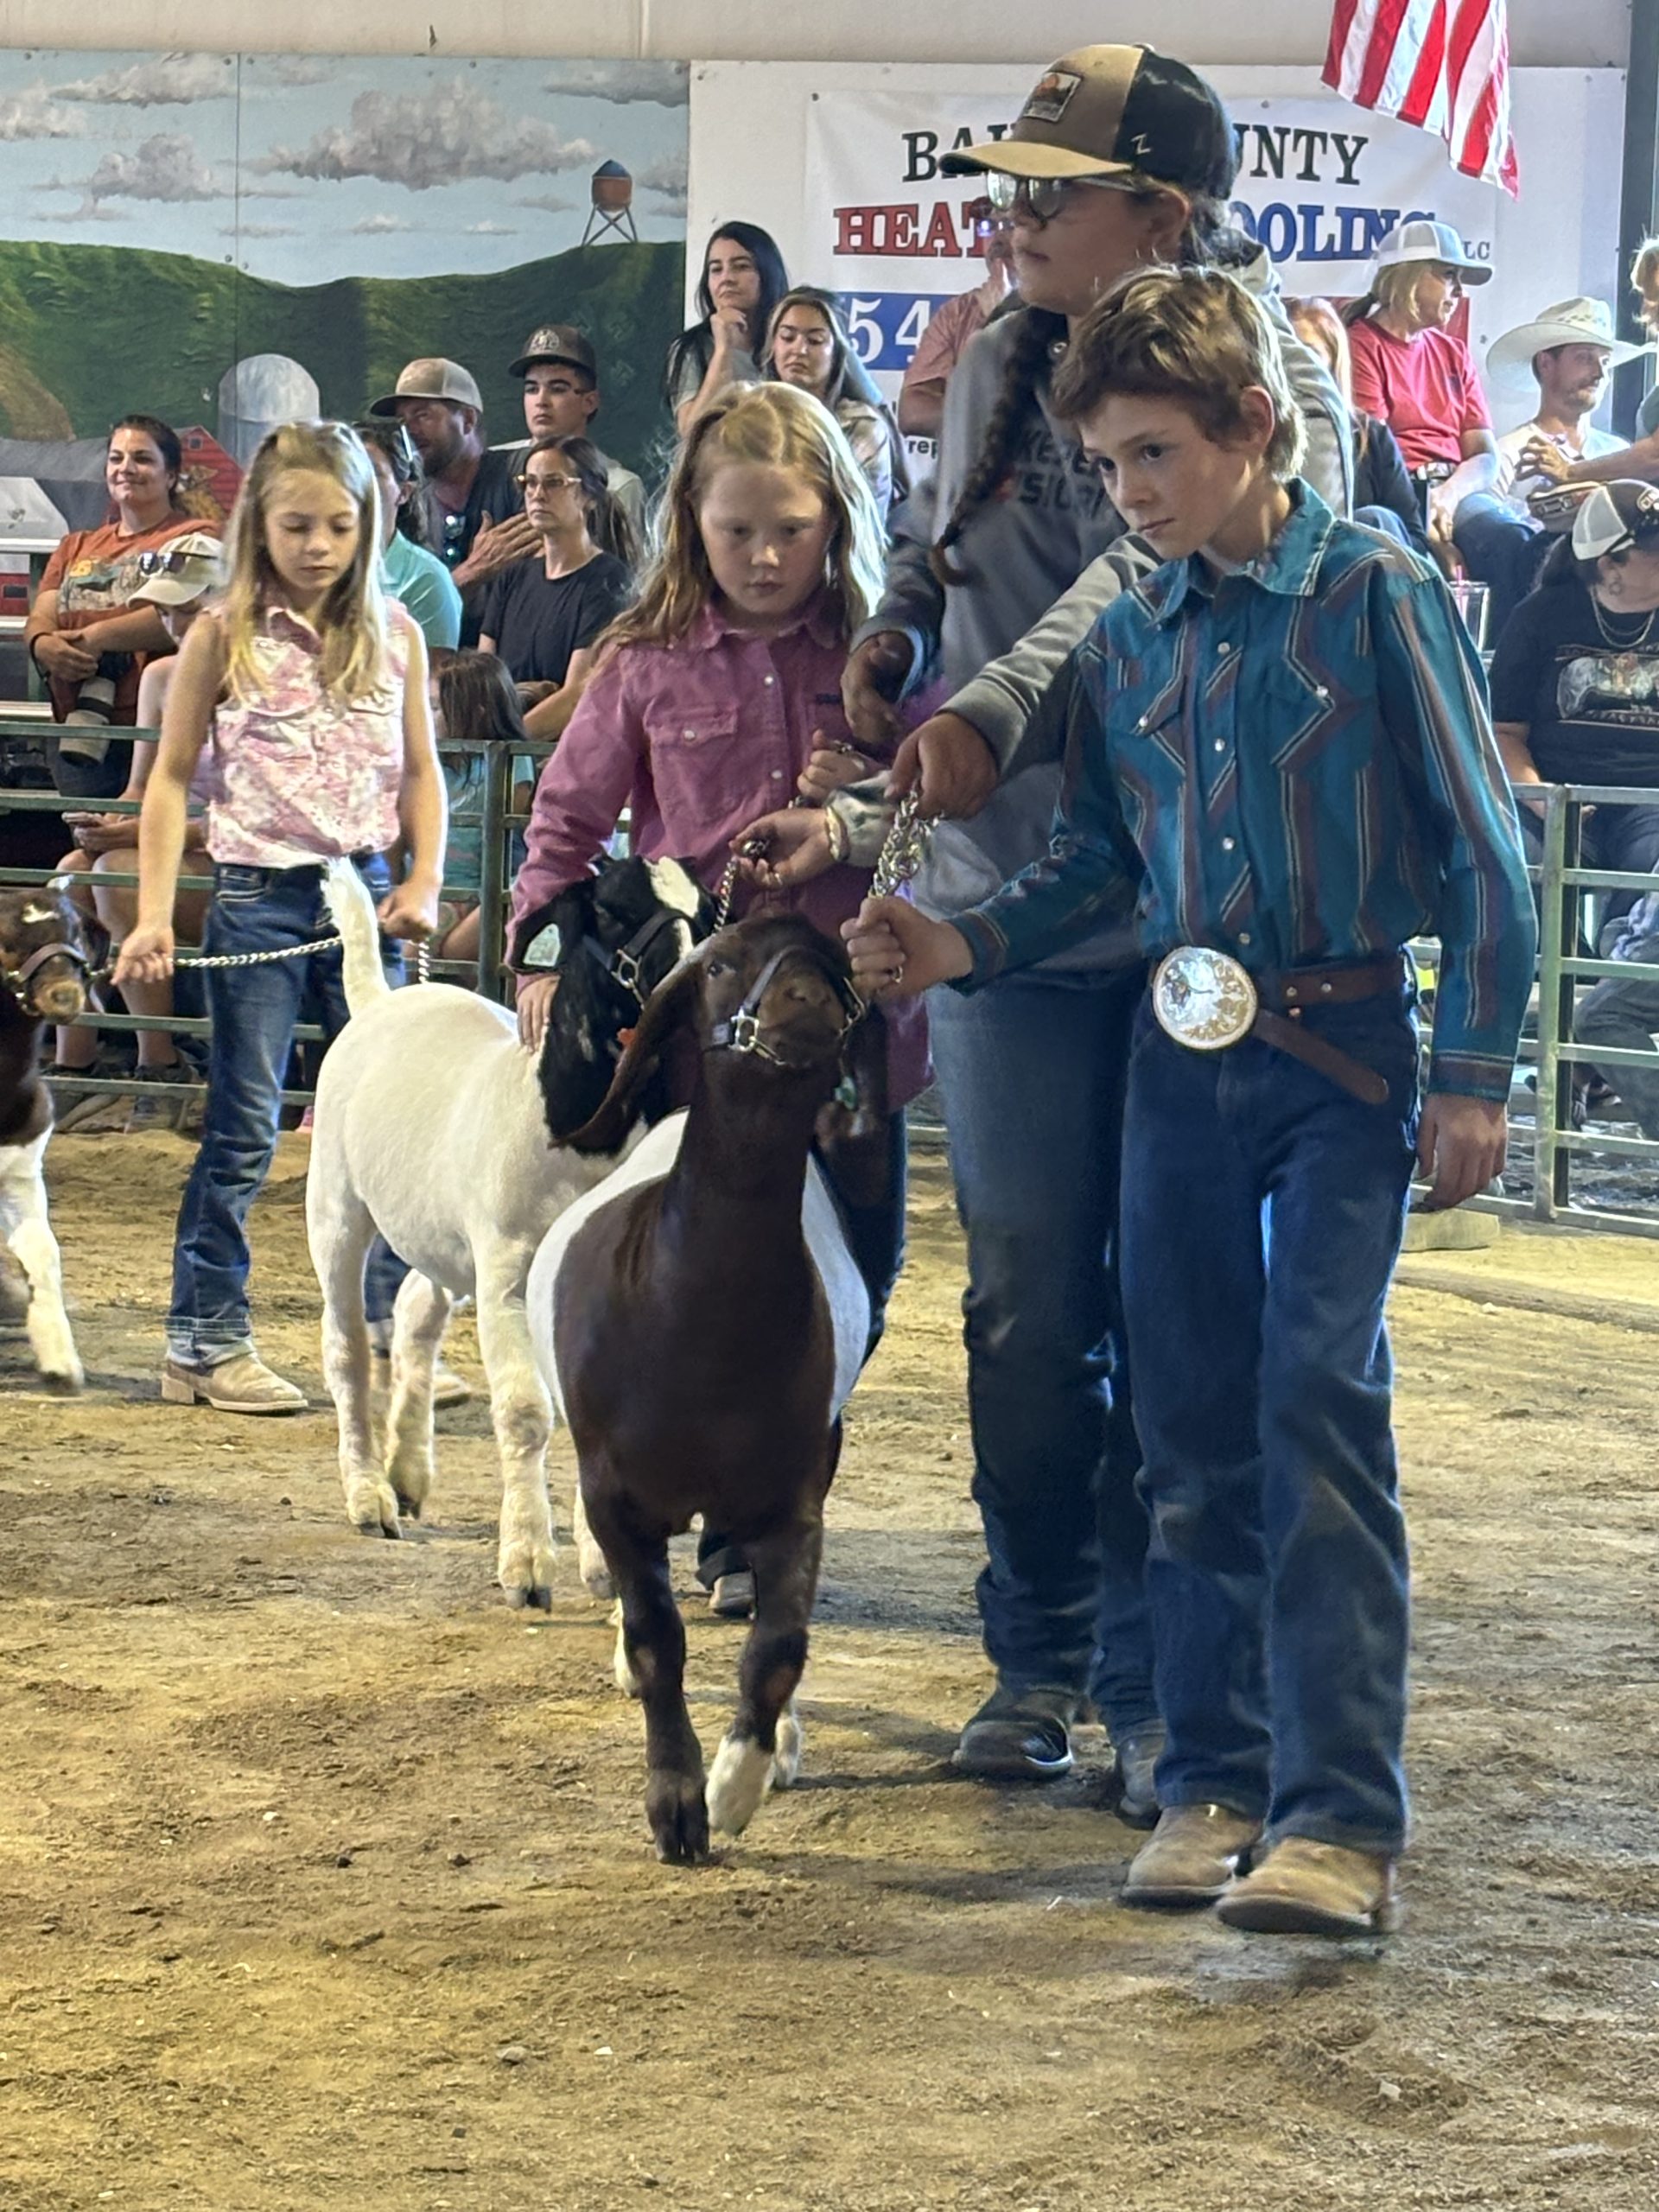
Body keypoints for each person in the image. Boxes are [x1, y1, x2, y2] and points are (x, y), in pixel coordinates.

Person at [845, 264, 1535, 1936]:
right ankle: (1215, 1780)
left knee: (1315, 1405)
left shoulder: (1375, 590)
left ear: (1252, 426)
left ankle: (1341, 1816)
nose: (1130, 497)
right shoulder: (1134, 625)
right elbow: (1097, 860)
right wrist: (960, 944)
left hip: (1343, 1067)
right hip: (1181, 1070)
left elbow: (1482, 847)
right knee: (1189, 1427)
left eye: (1153, 456)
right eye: (1108, 466)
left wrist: (1471, 1076)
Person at [830, 43, 1352, 1821]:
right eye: (1013, 188)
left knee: (1185, 1304)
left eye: (1056, 191)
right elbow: (942, 542)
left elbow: (1141, 590)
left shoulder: (1279, 386)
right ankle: (1040, 1650)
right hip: (1006, 912)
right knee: (1030, 1300)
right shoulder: (995, 358)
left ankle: (1159, 1680)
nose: (1017, 217)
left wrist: (988, 711)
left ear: (1165, 215)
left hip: (1202, 920)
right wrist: (900, 634)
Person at [507, 381, 931, 1620]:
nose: (763, 556)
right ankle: (708, 1507)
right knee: (684, 1276)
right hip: (695, 1036)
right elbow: (565, 823)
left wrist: (874, 792)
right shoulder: (642, 664)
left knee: (862, 1275)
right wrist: (541, 956)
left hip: (856, 1029)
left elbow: (955, 818)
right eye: (736, 529)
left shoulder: (888, 659)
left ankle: (769, 1492)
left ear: (836, 519)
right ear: (690, 520)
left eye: (791, 529)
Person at [113, 421, 446, 1415]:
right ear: (260, 523)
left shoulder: (395, 633)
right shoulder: (221, 634)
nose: (318, 545)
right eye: (297, 525)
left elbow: (422, 773)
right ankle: (204, 1339)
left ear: (368, 525)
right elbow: (170, 780)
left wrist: (424, 880)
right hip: (259, 895)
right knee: (247, 1124)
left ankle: (394, 1330)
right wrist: (153, 914)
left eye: (339, 525)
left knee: (390, 1123)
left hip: (366, 894)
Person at [48, 533, 225, 1127]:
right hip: (175, 842)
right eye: (168, 611)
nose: (176, 624)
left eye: (189, 610)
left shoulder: (261, 684)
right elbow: (140, 788)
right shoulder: (162, 677)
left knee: (116, 872)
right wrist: (113, 822)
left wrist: (132, 837)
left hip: (236, 859)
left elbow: (253, 817)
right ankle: (77, 1062)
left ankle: (160, 1064)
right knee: (71, 875)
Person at [1489, 482, 1659, 920]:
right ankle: (1552, 959)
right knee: (1514, 867)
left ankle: (1618, 955)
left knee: (1651, 873)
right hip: (1556, 793)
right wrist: (1542, 799)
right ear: (1609, 564)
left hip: (1652, 801)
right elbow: (1504, 732)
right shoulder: (1540, 616)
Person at [24, 416, 212, 801]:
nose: (126, 468)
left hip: (161, 730)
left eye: (142, 458)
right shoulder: (75, 546)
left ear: (171, 475)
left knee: (150, 833)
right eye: (116, 458)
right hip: (79, 730)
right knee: (88, 831)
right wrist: (43, 645)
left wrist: (95, 638)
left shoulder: (197, 538)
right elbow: (42, 614)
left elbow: (179, 616)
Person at [1452, 299, 1642, 636]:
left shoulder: (1619, 452)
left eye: (1604, 362)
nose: (1599, 373)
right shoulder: (1508, 452)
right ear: (1545, 363)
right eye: (1584, 358)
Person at [1342, 219, 1498, 570]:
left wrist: (1448, 496)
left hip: (1454, 490)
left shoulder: (1454, 352)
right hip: (1401, 494)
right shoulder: (1360, 346)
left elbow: (1486, 455)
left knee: (1507, 537)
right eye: (1449, 275)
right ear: (1408, 278)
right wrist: (1429, 527)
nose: (1459, 291)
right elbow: (1377, 459)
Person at [478, 435, 635, 741]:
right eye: (530, 482)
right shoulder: (512, 576)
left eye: (554, 483)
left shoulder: (609, 580)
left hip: (561, 751)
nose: (537, 494)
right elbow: (484, 681)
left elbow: (577, 696)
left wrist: (506, 746)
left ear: (589, 495)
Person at [369, 358, 533, 646]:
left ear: (468, 420)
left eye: (422, 415)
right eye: (402, 421)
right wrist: (472, 572)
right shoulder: (407, 504)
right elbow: (401, 622)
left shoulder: (520, 475)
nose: (410, 430)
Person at [1285, 296, 1427, 552]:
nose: (1296, 367)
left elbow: (1415, 539)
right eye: (1287, 354)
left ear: (1334, 362)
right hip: (1290, 562)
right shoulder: (1262, 437)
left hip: (1368, 568)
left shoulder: (1372, 436)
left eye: (1309, 355)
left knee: (1375, 519)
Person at [432, 651, 538, 972]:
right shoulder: (429, 764)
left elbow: (503, 840)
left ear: (476, 713)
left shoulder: (510, 763)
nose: (425, 716)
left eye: (435, 708)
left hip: (482, 892)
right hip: (436, 889)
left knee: (447, 953)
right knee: (408, 954)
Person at [763, 287, 909, 518]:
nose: (799, 349)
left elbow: (864, 522)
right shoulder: (749, 418)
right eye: (787, 337)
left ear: (838, 353)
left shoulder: (862, 427)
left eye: (815, 340)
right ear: (773, 346)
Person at [507, 324, 647, 549]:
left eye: (557, 389)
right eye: (532, 389)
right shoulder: (496, 467)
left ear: (589, 402)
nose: (541, 401)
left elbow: (628, 568)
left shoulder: (618, 486)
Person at [898, 200, 1015, 442]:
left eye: (1010, 225)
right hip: (971, 462)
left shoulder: (1063, 306)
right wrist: (1005, 420)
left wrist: (1002, 316)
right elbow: (913, 413)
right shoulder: (958, 312)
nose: (997, 238)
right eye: (989, 227)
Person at [664, 222, 791, 436]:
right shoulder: (692, 348)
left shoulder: (791, 341)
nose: (726, 279)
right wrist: (723, 351)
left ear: (768, 273)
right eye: (716, 269)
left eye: (741, 267)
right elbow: (691, 433)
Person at [353, 418, 463, 654]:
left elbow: (435, 673)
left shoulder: (425, 578)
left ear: (403, 492)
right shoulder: (324, 564)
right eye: (350, 469)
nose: (357, 482)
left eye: (373, 472)